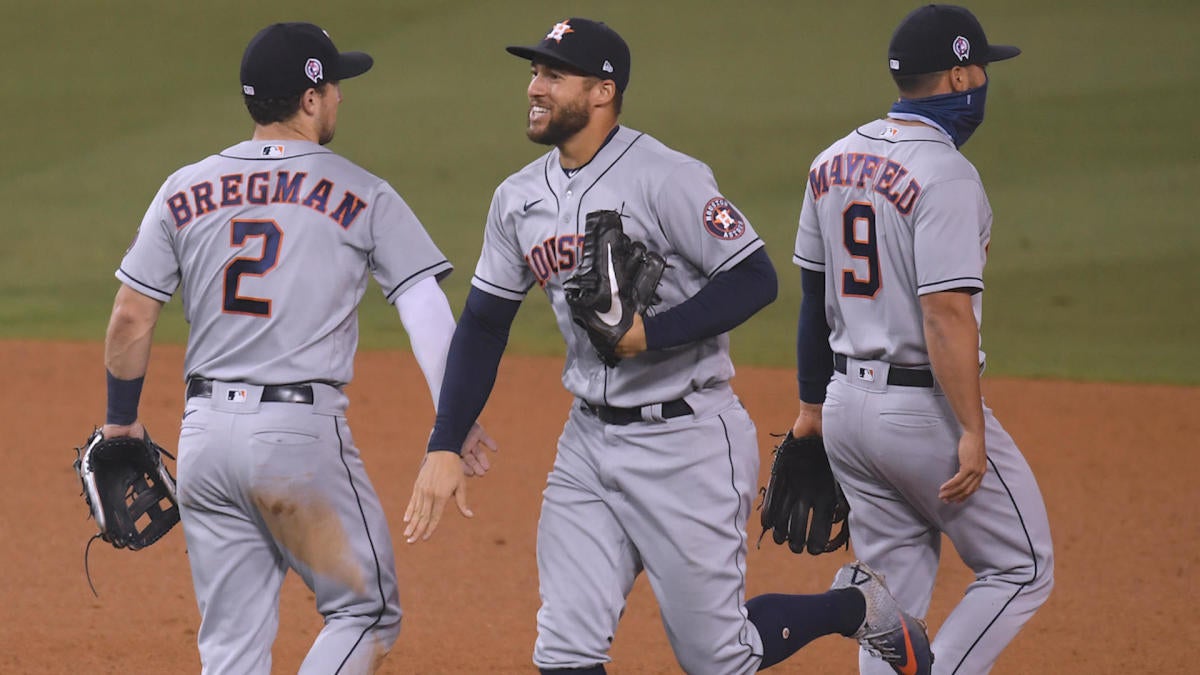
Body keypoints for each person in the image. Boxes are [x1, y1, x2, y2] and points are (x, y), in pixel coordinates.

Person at [403, 17, 931, 675]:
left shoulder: (667, 177)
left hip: (688, 443)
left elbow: (754, 276)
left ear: (602, 91)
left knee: (719, 659)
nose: (534, 87)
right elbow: (484, 323)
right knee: (565, 650)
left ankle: (852, 606)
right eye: (534, 72)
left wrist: (651, 333)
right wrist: (445, 441)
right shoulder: (517, 198)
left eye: (552, 75)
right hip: (587, 446)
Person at [100, 22, 492, 674]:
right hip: (296, 442)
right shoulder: (363, 191)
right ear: (310, 99)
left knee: (230, 645)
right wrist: (455, 418)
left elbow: (130, 316)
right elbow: (423, 307)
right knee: (365, 611)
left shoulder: (183, 188)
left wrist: (120, 422)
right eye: (334, 85)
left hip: (203, 442)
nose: (340, 97)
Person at [790, 4, 1055, 673]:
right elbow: (945, 313)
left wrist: (811, 410)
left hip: (846, 404)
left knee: (888, 592)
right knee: (1021, 565)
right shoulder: (947, 174)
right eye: (981, 70)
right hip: (919, 413)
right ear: (961, 73)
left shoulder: (831, 160)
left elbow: (810, 298)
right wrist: (969, 426)